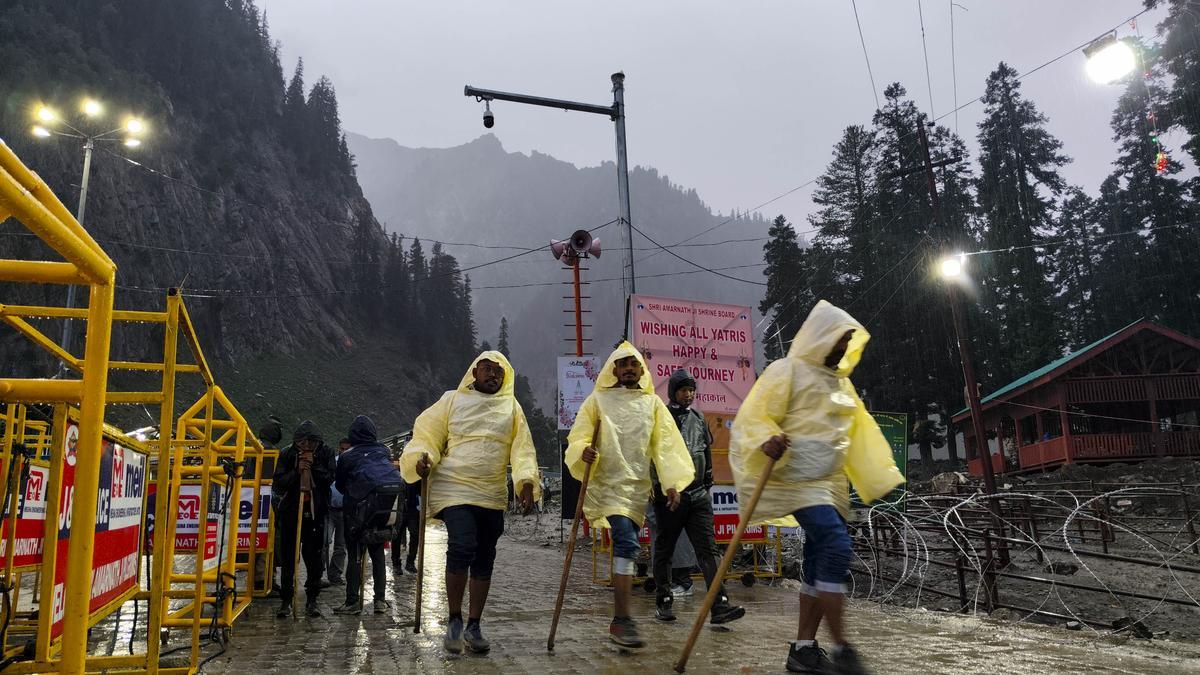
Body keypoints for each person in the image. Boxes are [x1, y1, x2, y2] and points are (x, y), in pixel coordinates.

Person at [730, 300, 901, 674]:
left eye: (848, 341)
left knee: (816, 561)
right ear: (821, 335)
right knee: (837, 546)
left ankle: (803, 649)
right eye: (838, 339)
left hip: (830, 485)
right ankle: (842, 648)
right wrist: (766, 438)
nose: (842, 347)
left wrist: (879, 475)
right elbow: (754, 415)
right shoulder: (786, 370)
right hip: (795, 481)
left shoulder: (842, 384)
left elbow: (861, 431)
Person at [401, 350, 541, 655]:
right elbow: (427, 434)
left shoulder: (512, 408)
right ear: (474, 372)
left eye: (499, 372)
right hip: (454, 489)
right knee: (462, 545)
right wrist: (422, 459)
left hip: (491, 494)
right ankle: (454, 619)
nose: (493, 375)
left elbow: (522, 449)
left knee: (484, 557)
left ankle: (474, 624)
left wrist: (526, 481)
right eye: (487, 369)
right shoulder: (451, 400)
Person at [566, 342, 694, 649]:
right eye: (622, 364)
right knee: (626, 541)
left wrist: (672, 482)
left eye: (633, 364)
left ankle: (621, 619)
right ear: (614, 369)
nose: (628, 369)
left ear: (641, 370)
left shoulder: (651, 404)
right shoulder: (597, 401)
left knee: (628, 545)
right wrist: (582, 450)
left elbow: (665, 446)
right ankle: (622, 619)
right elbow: (579, 436)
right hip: (607, 486)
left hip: (637, 489)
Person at [651, 369, 745, 624]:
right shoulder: (663, 418)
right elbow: (655, 455)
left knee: (708, 549)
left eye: (691, 390)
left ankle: (719, 604)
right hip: (671, 497)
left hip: (698, 495)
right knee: (665, 549)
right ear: (673, 392)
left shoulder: (698, 417)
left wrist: (708, 479)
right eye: (683, 390)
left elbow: (705, 448)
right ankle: (664, 600)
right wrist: (663, 487)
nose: (688, 394)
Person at [335, 416, 404, 615]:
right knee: (378, 555)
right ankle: (380, 601)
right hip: (382, 512)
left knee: (355, 556)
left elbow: (340, 485)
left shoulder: (347, 457)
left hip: (357, 513)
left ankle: (352, 601)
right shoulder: (384, 451)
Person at [273, 420, 336, 618]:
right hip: (291, 513)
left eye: (311, 443)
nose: (307, 446)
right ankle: (286, 600)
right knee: (288, 558)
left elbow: (330, 478)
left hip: (315, 513)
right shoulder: (286, 453)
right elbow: (278, 484)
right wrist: (297, 471)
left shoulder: (326, 453)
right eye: (303, 442)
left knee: (314, 558)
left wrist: (313, 465)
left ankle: (312, 599)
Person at [255, 416, 283, 596]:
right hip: (266, 503)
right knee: (267, 542)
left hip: (250, 501)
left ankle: (266, 579)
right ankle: (263, 581)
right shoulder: (270, 452)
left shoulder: (253, 447)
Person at [324, 438, 351, 587]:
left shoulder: (354, 465)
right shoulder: (333, 463)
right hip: (329, 509)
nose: (344, 451)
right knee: (324, 541)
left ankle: (335, 574)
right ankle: (319, 573)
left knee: (341, 545)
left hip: (345, 511)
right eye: (342, 449)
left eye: (347, 449)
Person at [391, 474, 420, 574]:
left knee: (415, 534)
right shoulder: (397, 475)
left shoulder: (416, 475)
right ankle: (396, 564)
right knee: (396, 537)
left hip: (413, 509)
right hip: (400, 508)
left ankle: (410, 562)